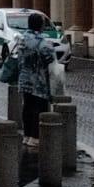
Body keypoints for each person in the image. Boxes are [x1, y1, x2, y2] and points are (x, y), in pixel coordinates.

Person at [16, 12, 57, 150]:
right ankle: (35, 137)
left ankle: (26, 136)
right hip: (38, 81)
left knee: (27, 107)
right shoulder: (40, 41)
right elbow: (50, 57)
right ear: (39, 25)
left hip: (24, 78)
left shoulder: (22, 38)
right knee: (38, 108)